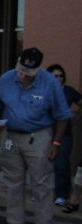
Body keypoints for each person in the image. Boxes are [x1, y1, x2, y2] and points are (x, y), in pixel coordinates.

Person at [0, 48, 71, 224]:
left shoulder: (50, 83)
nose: (24, 75)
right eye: (21, 70)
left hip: (38, 136)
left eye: (29, 72)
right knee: (12, 183)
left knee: (42, 184)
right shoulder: (6, 79)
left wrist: (56, 142)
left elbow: (63, 115)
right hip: (11, 135)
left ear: (38, 69)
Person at [46, 64, 82, 206]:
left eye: (61, 76)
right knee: (42, 165)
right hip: (45, 132)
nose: (59, 78)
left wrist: (75, 119)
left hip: (64, 134)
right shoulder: (44, 90)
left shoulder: (68, 91)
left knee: (61, 163)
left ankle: (62, 194)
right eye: (56, 76)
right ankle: (45, 193)